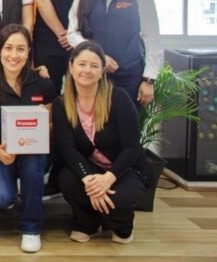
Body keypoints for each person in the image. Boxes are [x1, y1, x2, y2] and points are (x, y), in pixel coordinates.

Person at [53, 40, 152, 244]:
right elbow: (67, 149)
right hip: (91, 168)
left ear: (102, 71)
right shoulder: (62, 103)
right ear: (71, 67)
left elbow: (132, 147)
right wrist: (90, 180)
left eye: (94, 65)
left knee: (116, 200)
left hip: (125, 168)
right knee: (67, 179)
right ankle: (86, 223)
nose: (87, 70)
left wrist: (108, 178)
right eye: (81, 64)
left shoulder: (119, 98)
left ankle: (122, 227)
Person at [0, 24, 57, 253]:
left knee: (32, 164)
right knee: (2, 198)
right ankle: (20, 186)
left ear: (28, 52)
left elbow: (50, 125)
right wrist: (0, 152)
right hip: (1, 153)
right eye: (8, 48)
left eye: (20, 49)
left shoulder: (42, 82)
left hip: (33, 151)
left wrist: (37, 128)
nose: (14, 55)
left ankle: (31, 228)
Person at [67, 0, 161, 105]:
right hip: (92, 76)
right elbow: (73, 33)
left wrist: (149, 80)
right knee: (92, 127)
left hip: (130, 75)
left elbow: (152, 38)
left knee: (126, 127)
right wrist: (98, 56)